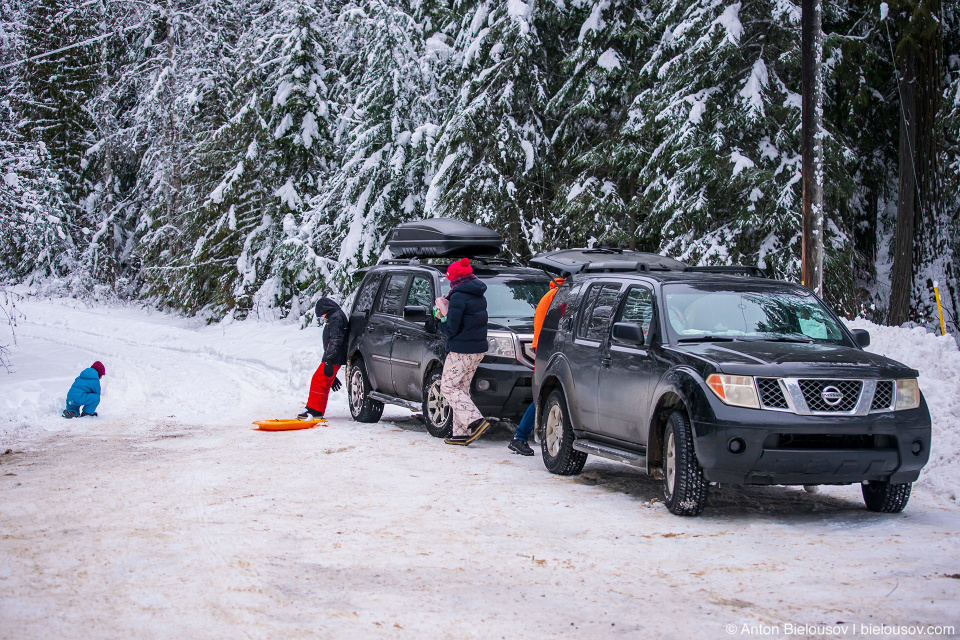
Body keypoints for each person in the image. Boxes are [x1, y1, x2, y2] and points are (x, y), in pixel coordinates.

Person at [436, 258, 494, 446]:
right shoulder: (477, 294)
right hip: (477, 349)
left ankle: (475, 420)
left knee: (448, 387)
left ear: (454, 278)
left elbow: (451, 329)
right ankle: (461, 433)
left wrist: (441, 317)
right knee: (461, 389)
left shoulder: (459, 296)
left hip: (461, 350)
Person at [508, 277, 565, 456]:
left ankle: (521, 436)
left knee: (541, 394)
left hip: (542, 347)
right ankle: (520, 436)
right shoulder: (561, 296)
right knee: (542, 394)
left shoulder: (553, 293)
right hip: (549, 349)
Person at [298, 297, 348, 420]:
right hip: (333, 356)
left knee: (318, 380)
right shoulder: (335, 316)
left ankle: (314, 411)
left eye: (323, 314)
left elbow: (336, 339)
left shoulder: (336, 318)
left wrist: (329, 360)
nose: (323, 317)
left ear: (327, 309)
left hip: (334, 356)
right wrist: (332, 374)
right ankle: (317, 410)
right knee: (324, 381)